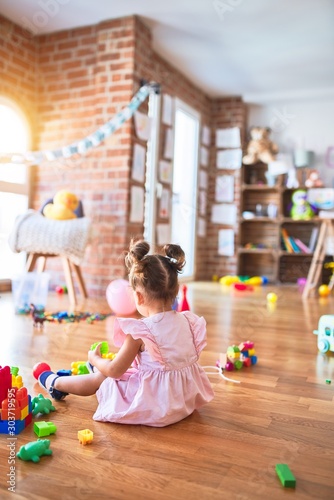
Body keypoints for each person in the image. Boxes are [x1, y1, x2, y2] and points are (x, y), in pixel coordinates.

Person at [39, 239, 214, 427]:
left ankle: (55, 384)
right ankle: (88, 372)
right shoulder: (189, 321)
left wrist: (95, 359)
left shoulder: (140, 331)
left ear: (138, 296)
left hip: (155, 404)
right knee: (121, 370)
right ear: (175, 290)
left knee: (102, 377)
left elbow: (115, 371)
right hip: (182, 400)